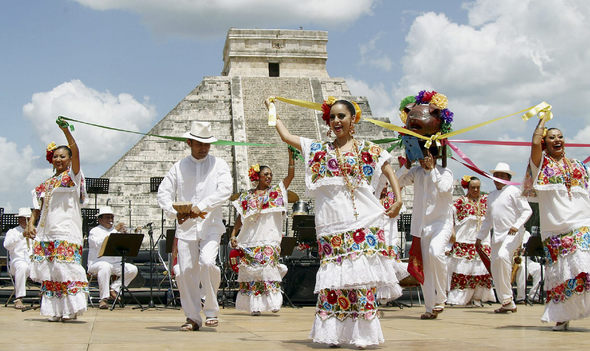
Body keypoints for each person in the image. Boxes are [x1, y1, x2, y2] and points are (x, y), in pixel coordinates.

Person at [267, 96, 403, 348]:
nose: (337, 121)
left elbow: (387, 168)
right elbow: (287, 137)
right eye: (332, 117)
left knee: (360, 279)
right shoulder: (321, 150)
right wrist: (273, 111)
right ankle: (334, 334)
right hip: (332, 226)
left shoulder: (366, 148)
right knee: (334, 281)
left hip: (361, 222)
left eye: (342, 116)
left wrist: (399, 198)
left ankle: (363, 334)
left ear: (353, 120)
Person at [157, 121, 232, 331]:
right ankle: (192, 317)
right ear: (189, 142)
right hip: (186, 227)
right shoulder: (178, 167)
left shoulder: (219, 165)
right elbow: (163, 193)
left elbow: (225, 190)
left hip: (211, 224)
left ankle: (210, 310)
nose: (203, 148)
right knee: (185, 271)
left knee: (208, 262)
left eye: (207, 144)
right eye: (199, 143)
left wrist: (202, 205)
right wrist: (175, 212)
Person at [527, 117, 590, 330]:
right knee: (563, 273)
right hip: (555, 228)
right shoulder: (541, 165)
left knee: (583, 263)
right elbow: (535, 144)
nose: (557, 140)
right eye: (552, 137)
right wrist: (541, 122)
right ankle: (562, 315)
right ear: (546, 142)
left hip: (582, 222)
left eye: (560, 136)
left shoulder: (579, 166)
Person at [25, 120, 88, 322]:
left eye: (63, 156)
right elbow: (37, 207)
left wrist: (65, 132)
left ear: (69, 160)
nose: (58, 159)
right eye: (55, 157)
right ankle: (54, 310)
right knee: (51, 272)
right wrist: (30, 224)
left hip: (66, 230)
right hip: (48, 232)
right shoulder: (46, 183)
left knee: (65, 268)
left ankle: (71, 310)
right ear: (51, 160)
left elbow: (76, 151)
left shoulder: (73, 177)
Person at [229, 149, 294, 315]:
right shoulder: (246, 196)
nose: (269, 177)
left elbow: (290, 177)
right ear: (257, 177)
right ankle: (255, 306)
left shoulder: (275, 193)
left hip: (269, 239)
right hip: (250, 239)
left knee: (267, 267)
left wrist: (291, 157)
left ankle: (273, 302)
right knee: (252, 272)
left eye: (271, 174)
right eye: (265, 174)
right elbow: (239, 217)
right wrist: (233, 234)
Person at [396, 145, 454, 319]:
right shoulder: (416, 172)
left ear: (433, 156)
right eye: (420, 157)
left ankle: (441, 296)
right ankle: (429, 307)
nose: (423, 160)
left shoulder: (446, 173)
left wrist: (433, 170)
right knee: (425, 267)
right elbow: (397, 183)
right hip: (422, 226)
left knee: (436, 253)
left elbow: (444, 190)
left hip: (441, 224)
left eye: (426, 156)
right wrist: (407, 165)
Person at [475, 162, 532, 314]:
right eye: (496, 175)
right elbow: (488, 219)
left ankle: (507, 297)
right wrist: (480, 237)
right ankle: (507, 302)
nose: (498, 178)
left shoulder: (514, 191)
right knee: (495, 266)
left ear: (508, 177)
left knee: (502, 257)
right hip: (498, 235)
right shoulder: (491, 196)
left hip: (513, 233)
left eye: (502, 175)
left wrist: (517, 225)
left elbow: (527, 211)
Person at [447, 176, 495, 307]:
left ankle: (478, 297)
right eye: (472, 187)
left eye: (478, 187)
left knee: (481, 271)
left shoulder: (485, 200)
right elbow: (449, 214)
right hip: (464, 240)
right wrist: (452, 231)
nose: (475, 189)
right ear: (467, 187)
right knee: (464, 271)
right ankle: (461, 298)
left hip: (482, 240)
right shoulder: (461, 201)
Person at [87, 206, 139, 309]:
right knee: (105, 266)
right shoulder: (94, 231)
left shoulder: (115, 231)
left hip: (115, 263)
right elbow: (99, 244)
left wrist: (125, 236)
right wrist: (114, 231)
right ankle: (103, 299)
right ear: (100, 219)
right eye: (107, 218)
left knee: (132, 269)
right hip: (97, 263)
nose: (110, 220)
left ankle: (114, 288)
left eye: (111, 217)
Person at [3, 207, 33, 309]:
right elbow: (7, 245)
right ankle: (19, 298)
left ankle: (45, 296)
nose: (25, 221)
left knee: (46, 266)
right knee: (22, 266)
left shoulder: (36, 231)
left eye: (28, 219)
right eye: (23, 219)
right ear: (19, 219)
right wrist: (21, 236)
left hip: (32, 262)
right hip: (17, 262)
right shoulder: (13, 232)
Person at [514, 230, 543, 304]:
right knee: (522, 268)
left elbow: (530, 248)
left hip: (526, 259)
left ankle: (533, 296)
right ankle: (521, 297)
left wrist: (526, 250)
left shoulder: (527, 233)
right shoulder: (510, 232)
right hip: (514, 260)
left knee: (539, 268)